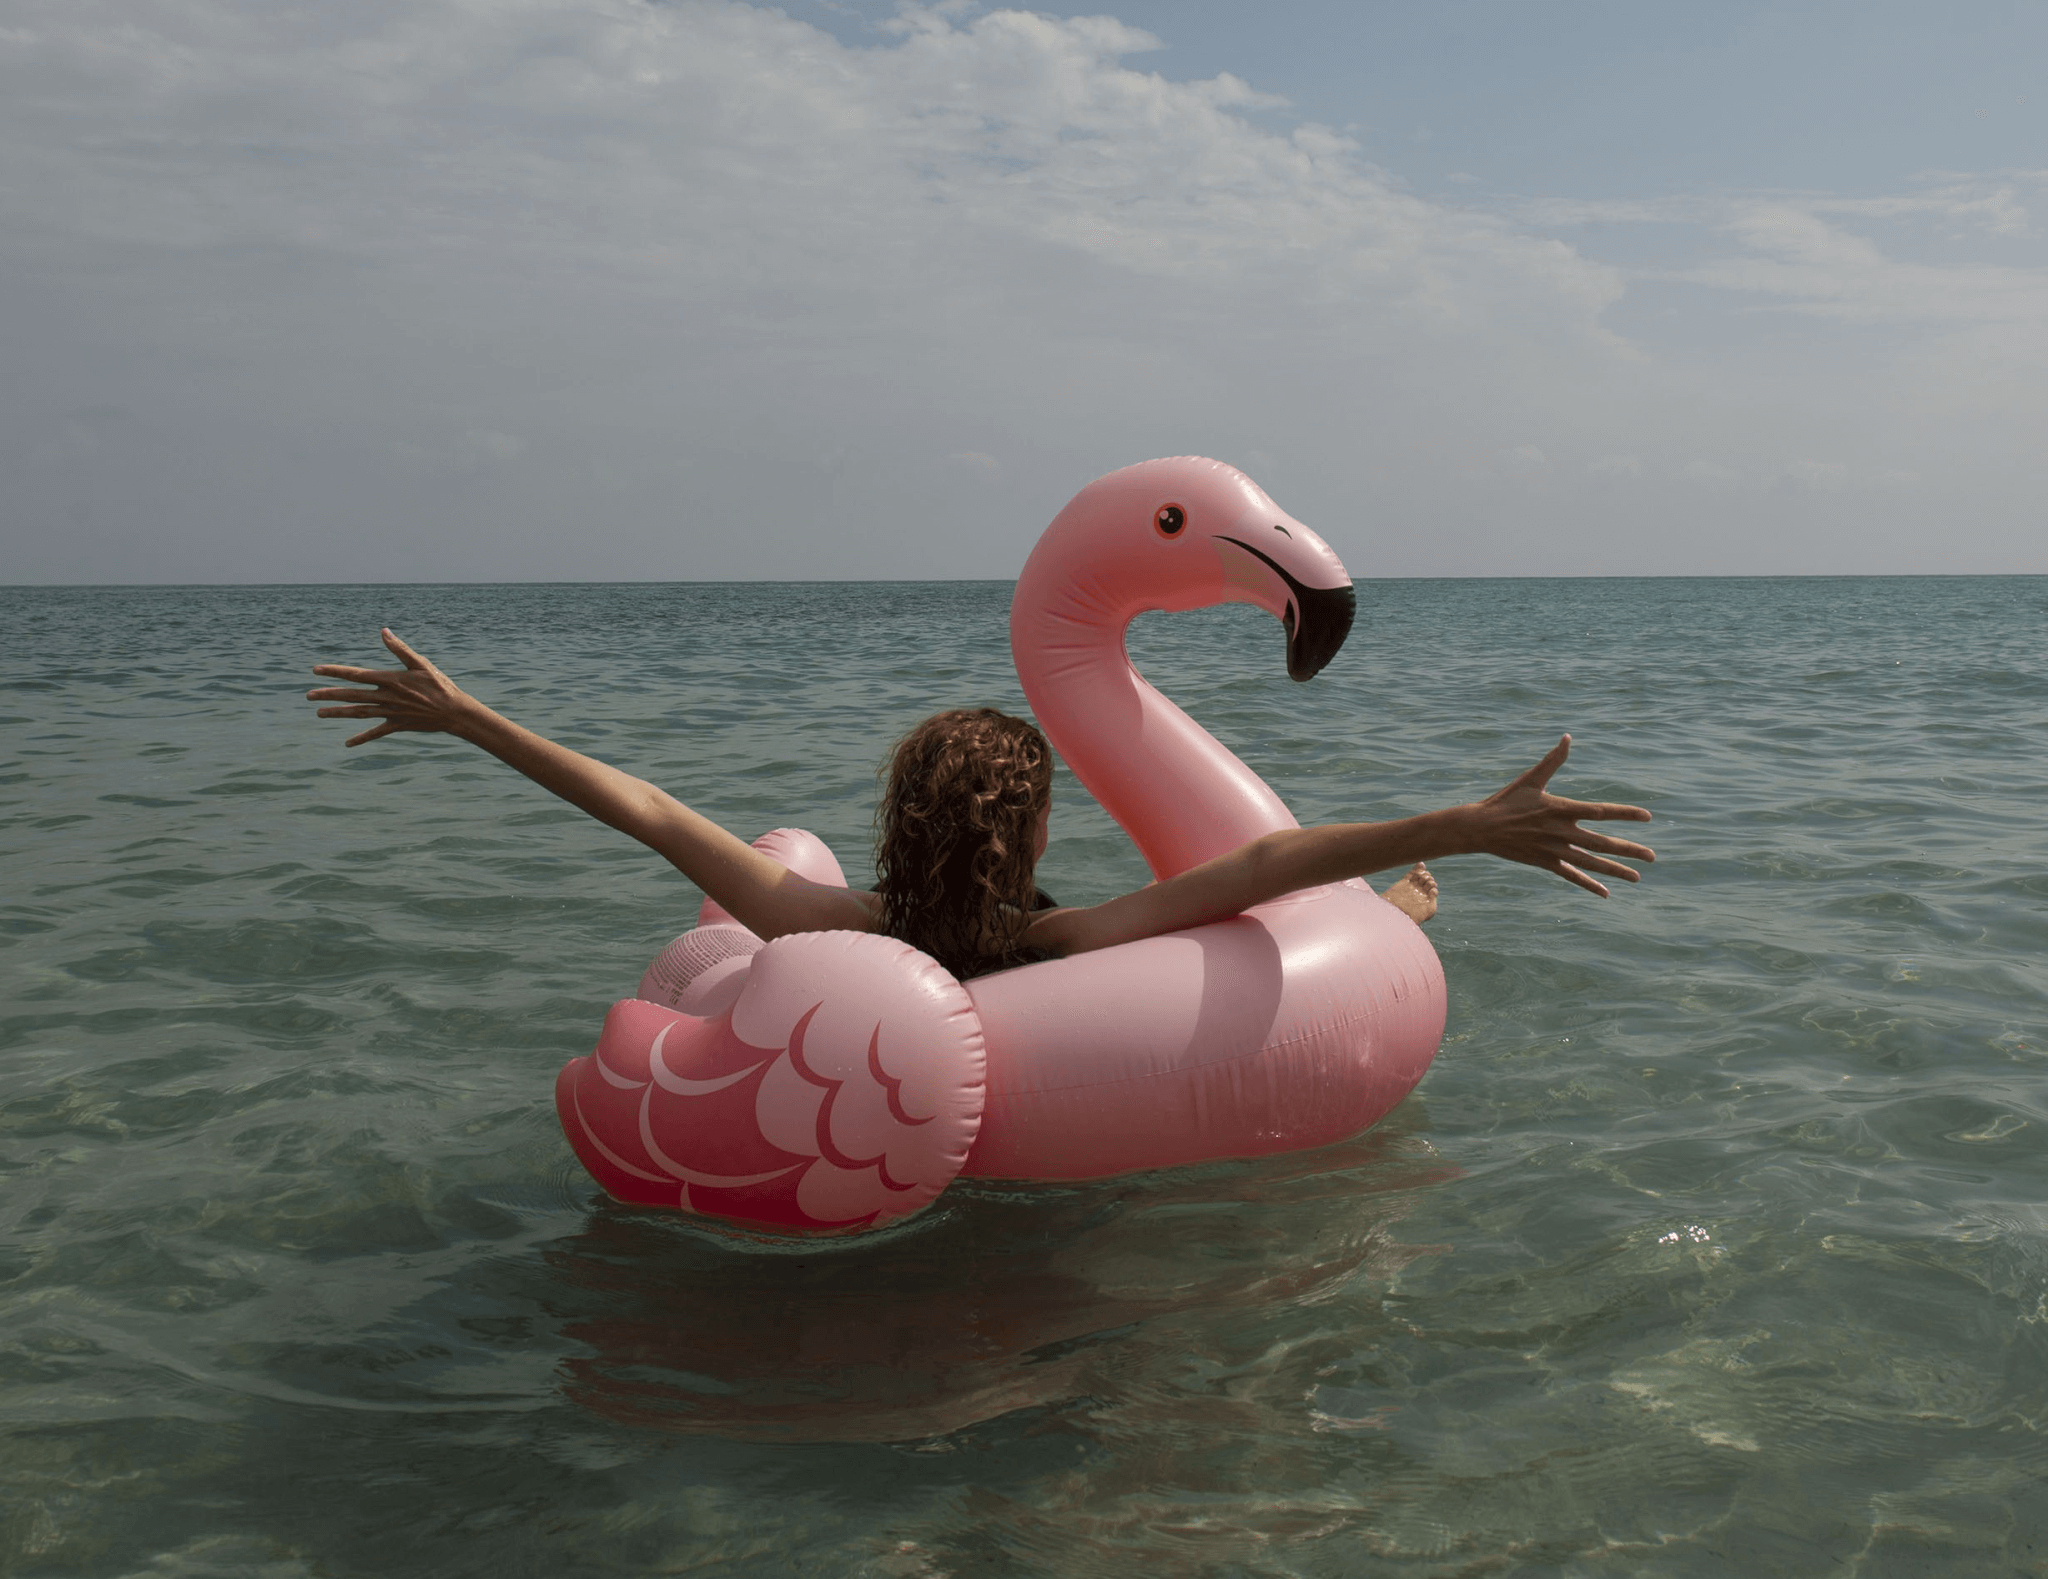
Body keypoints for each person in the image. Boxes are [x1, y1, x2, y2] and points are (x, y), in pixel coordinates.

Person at [309, 630, 1654, 980]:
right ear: (1045, 835)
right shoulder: (1062, 945)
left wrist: (472, 719)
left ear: (899, 820)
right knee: (1365, 915)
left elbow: (654, 812)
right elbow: (1264, 863)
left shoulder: (834, 924)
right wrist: (1457, 824)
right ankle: (1416, 909)